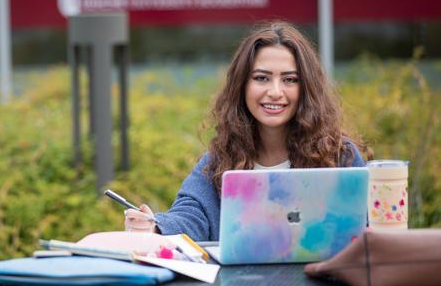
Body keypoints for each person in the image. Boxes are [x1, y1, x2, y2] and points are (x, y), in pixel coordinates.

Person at [124, 21, 371, 241]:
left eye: (290, 80)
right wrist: (155, 226)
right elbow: (191, 215)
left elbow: (367, 230)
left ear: (306, 88)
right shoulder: (220, 159)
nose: (275, 91)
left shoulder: (339, 156)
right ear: (242, 86)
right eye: (262, 78)